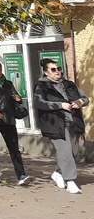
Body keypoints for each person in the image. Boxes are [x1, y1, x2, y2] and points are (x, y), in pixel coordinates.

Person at [34, 58, 88, 194]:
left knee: (73, 152)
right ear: (46, 73)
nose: (57, 71)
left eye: (58, 69)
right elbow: (39, 103)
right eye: (53, 69)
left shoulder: (70, 84)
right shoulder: (42, 87)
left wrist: (80, 102)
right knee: (65, 152)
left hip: (73, 123)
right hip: (56, 124)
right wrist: (60, 105)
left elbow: (85, 98)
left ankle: (58, 173)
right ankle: (70, 181)